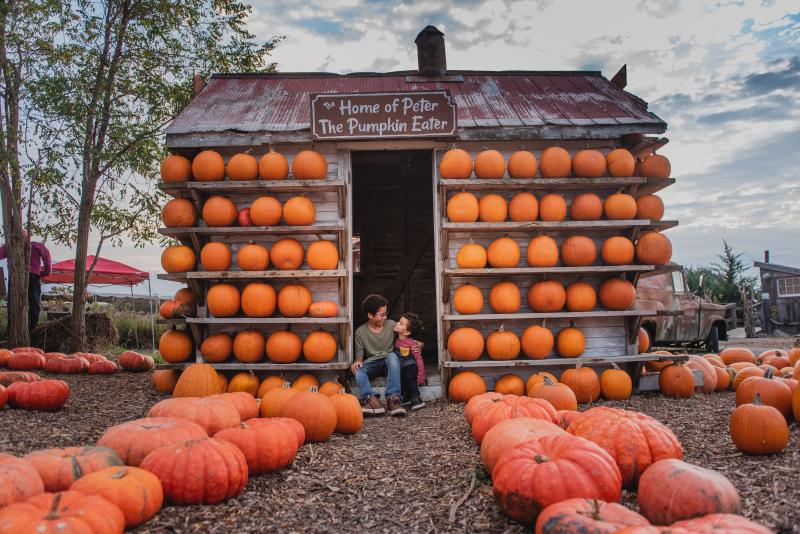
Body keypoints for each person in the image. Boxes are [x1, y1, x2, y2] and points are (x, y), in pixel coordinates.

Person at [352, 294, 416, 416]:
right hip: (372, 362)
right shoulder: (360, 332)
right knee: (358, 370)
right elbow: (359, 355)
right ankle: (371, 400)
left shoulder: (391, 325)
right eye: (381, 315)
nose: (385, 317)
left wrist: (419, 343)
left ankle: (393, 398)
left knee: (392, 356)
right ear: (370, 315)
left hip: (390, 362)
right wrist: (357, 362)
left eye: (385, 313)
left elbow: (406, 336)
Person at [0, 230, 51, 331]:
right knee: (34, 303)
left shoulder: (10, 247)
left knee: (13, 303)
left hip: (16, 277)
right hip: (32, 277)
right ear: (28, 237)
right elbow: (48, 264)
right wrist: (42, 273)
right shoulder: (37, 246)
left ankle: (11, 329)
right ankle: (33, 329)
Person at [394, 312, 426, 411]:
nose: (397, 323)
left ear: (407, 332)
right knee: (402, 379)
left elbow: (419, 359)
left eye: (401, 323)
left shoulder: (412, 343)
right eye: (399, 321)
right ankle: (406, 397)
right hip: (400, 366)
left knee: (410, 378)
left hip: (411, 365)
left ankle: (416, 398)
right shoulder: (395, 339)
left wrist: (421, 376)